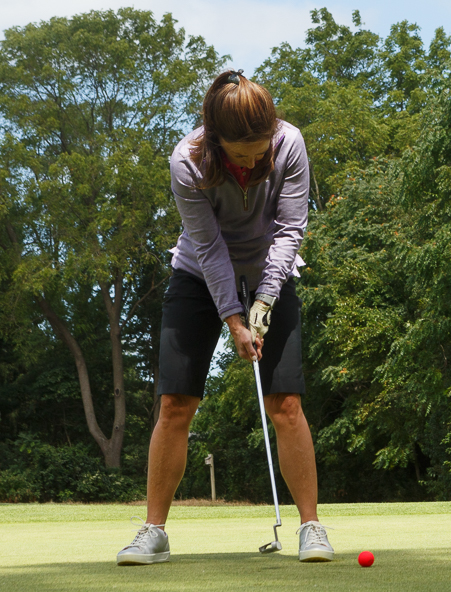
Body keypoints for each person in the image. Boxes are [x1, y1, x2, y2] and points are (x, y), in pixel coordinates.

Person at [117, 70, 332, 565]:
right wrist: (234, 320)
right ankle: (154, 532)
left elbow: (291, 226)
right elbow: (210, 248)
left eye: (261, 150)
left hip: (270, 271)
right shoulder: (186, 160)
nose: (255, 161)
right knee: (175, 402)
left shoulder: (289, 142)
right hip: (197, 273)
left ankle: (312, 527)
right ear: (216, 140)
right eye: (242, 154)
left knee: (286, 403)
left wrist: (265, 299)